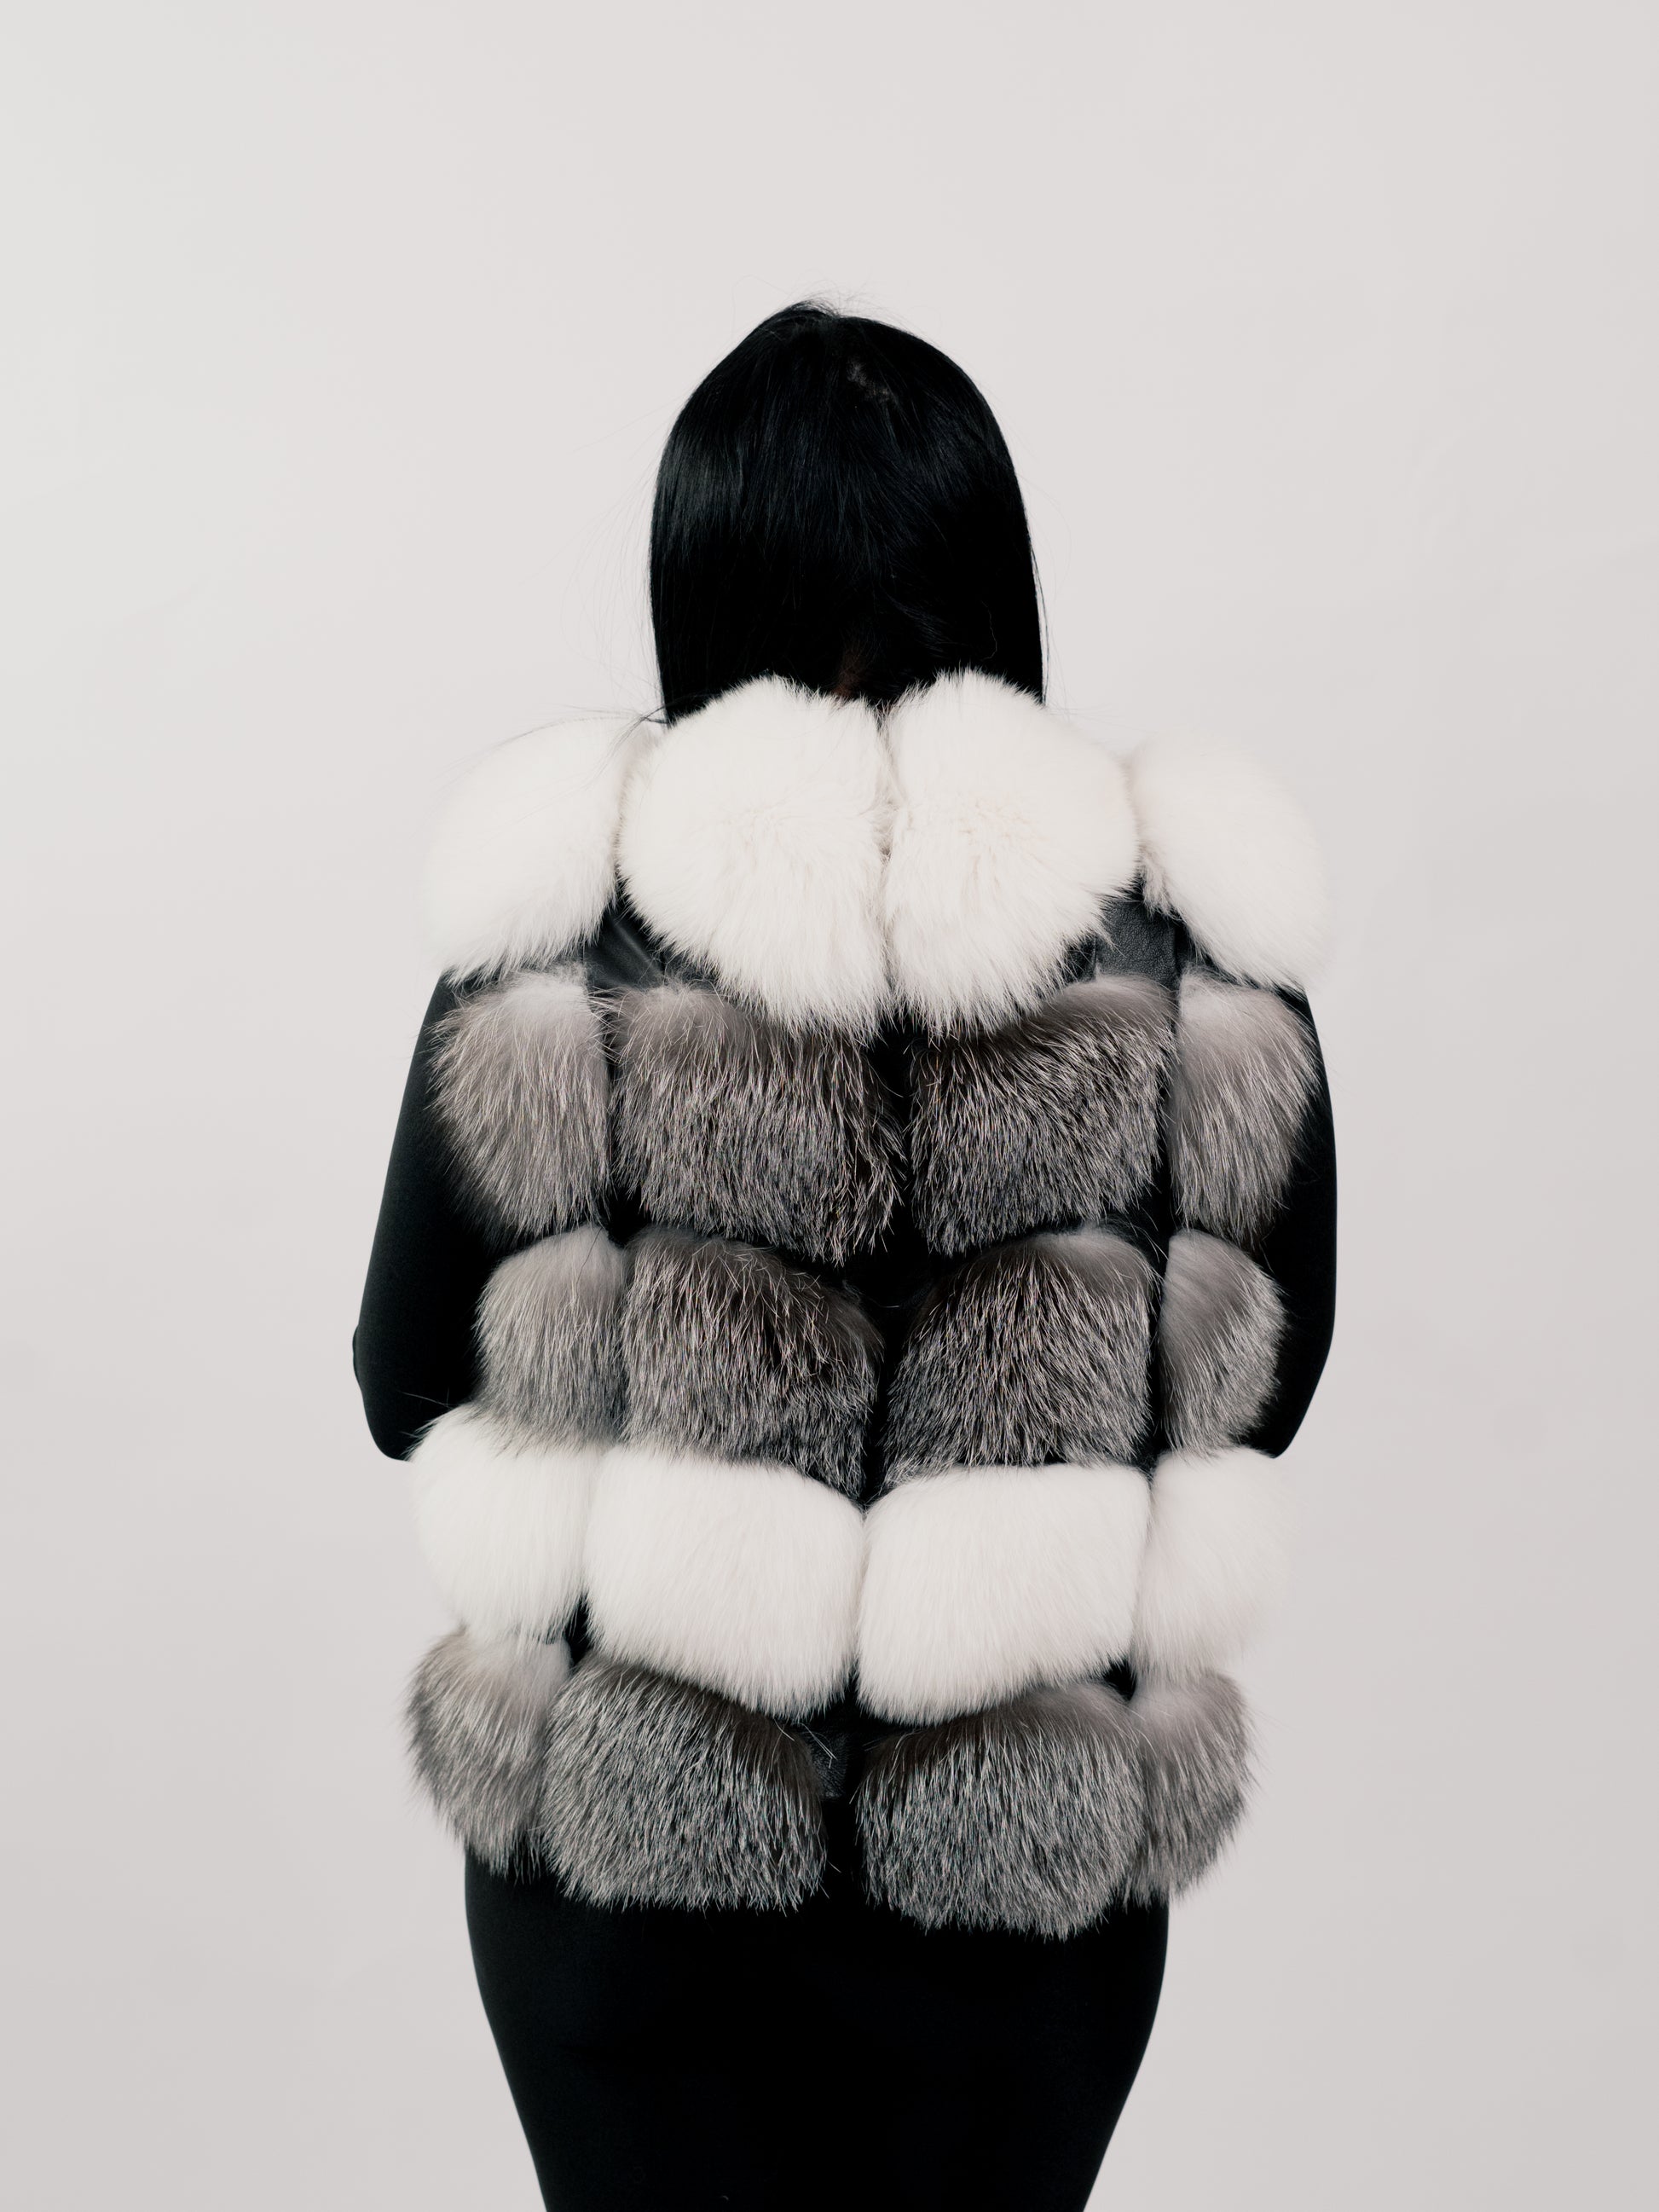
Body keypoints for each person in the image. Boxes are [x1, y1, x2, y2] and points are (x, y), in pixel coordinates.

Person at [356, 301, 1337, 2212]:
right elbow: (1268, 1387)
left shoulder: (560, 935)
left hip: (634, 1868)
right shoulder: (1191, 944)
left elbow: (406, 1378)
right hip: (1017, 1884)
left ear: (697, 572)